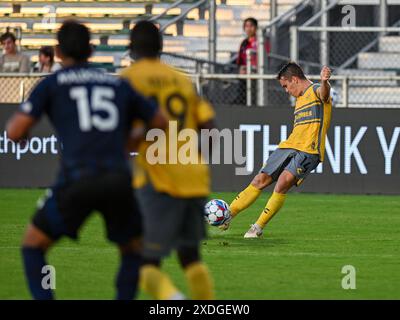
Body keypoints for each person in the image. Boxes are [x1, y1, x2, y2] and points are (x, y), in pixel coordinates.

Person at [6, 20, 166, 300]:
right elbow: (161, 123)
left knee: (33, 246)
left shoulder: (53, 83)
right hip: (117, 178)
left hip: (76, 179)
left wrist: (24, 136)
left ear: (57, 52)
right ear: (91, 50)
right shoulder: (117, 83)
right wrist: (128, 139)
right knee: (134, 251)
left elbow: (15, 131)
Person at [120, 20, 216, 300]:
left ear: (131, 48)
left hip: (157, 179)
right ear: (161, 48)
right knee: (191, 258)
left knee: (146, 263)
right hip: (194, 177)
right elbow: (210, 127)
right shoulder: (182, 80)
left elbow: (124, 130)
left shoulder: (129, 79)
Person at [222, 62, 332, 238]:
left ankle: (257, 227)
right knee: (260, 180)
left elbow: (324, 94)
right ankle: (227, 215)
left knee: (283, 182)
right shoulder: (299, 99)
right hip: (289, 145)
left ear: (294, 79)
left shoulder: (317, 89)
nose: (286, 90)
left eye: (286, 86)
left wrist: (325, 81)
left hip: (309, 150)